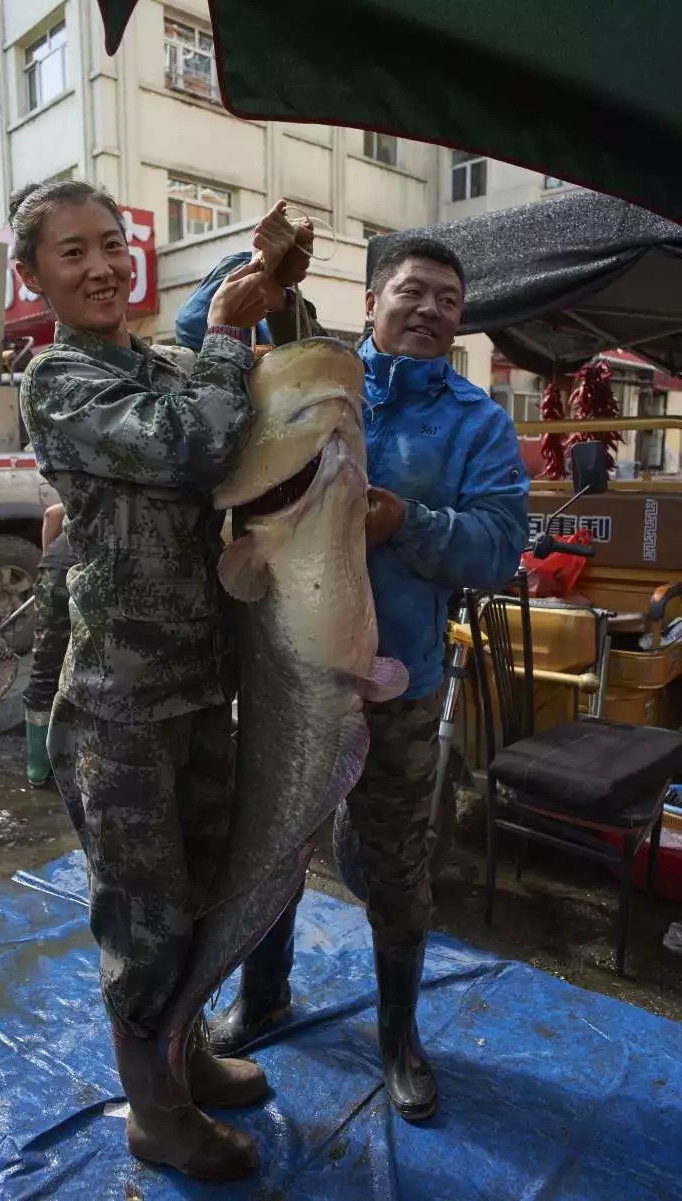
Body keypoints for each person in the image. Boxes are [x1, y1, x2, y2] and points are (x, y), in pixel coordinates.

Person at [175, 234, 530, 1123]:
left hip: (397, 683)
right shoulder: (318, 374)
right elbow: (196, 334)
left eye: (449, 300)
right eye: (412, 292)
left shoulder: (475, 422)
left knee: (397, 867)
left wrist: (409, 523)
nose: (431, 311)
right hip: (283, 665)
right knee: (275, 835)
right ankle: (265, 996)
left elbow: (499, 546)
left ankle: (400, 1034)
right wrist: (252, 268)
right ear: (370, 302)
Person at [16, 178, 309, 1182]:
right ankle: (154, 1114)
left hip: (197, 689)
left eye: (111, 244)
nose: (100, 265)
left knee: (200, 895)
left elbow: (223, 384)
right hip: (119, 708)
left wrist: (262, 283)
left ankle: (180, 1058)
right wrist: (232, 326)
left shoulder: (159, 362)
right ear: (35, 276)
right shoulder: (58, 381)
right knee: (144, 925)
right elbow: (191, 443)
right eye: (71, 252)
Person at [22, 502, 74, 786]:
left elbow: (53, 513)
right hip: (88, 568)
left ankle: (38, 768)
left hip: (56, 565)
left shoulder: (84, 476)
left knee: (45, 664)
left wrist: (48, 559)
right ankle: (66, 757)